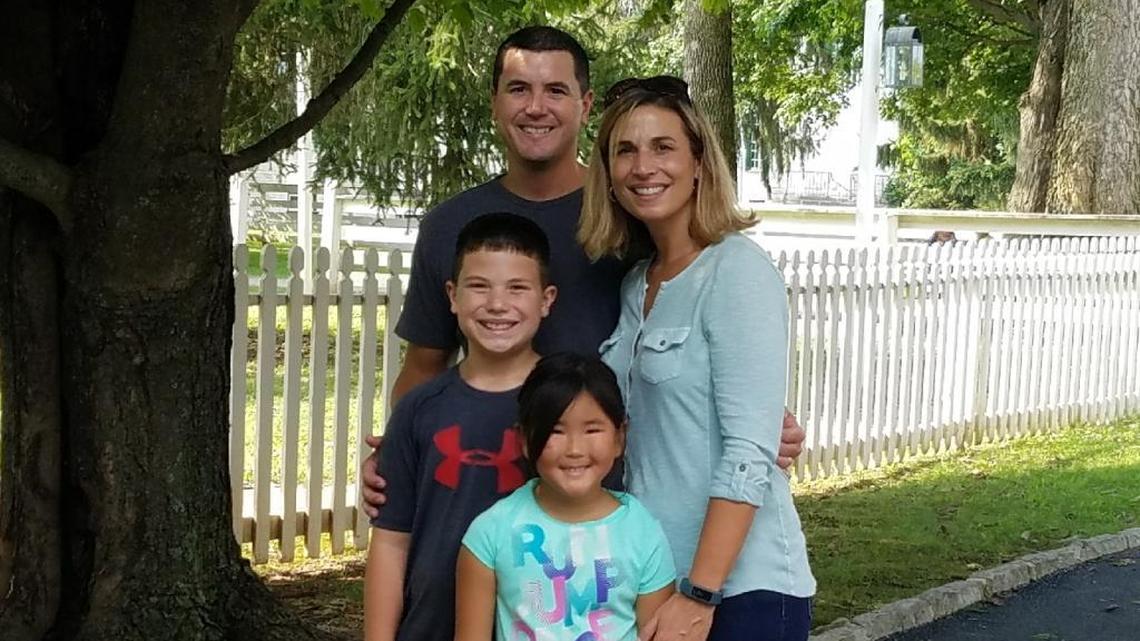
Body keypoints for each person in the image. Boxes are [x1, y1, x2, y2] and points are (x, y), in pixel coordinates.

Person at [361, 26, 805, 518]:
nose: (536, 107)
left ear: (586, 104)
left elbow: (703, 344)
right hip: (482, 487)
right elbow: (424, 366)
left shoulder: (634, 219)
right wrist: (395, 450)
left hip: (610, 503)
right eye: (518, 89)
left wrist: (761, 424)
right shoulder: (450, 227)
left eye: (556, 90)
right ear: (494, 102)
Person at [579, 76, 815, 641]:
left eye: (663, 147)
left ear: (700, 163)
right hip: (654, 579)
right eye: (625, 151)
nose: (644, 166)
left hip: (740, 590)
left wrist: (701, 592)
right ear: (608, 175)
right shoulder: (636, 284)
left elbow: (747, 452)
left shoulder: (735, 270)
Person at [363, 213, 557, 641]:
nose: (497, 304)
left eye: (517, 288)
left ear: (547, 300)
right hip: (430, 628)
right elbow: (392, 542)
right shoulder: (418, 409)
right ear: (452, 295)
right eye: (478, 286)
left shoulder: (567, 407)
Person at [456, 353, 675, 641]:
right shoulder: (490, 532)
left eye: (592, 429)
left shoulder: (642, 531)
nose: (574, 449)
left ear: (620, 437)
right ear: (523, 439)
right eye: (555, 431)